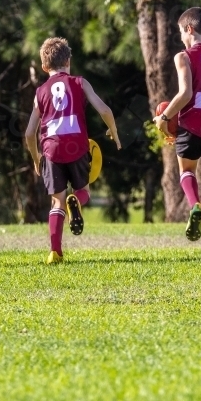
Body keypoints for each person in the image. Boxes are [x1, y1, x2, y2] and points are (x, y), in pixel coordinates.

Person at [25, 37, 120, 265]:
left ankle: (55, 252)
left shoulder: (40, 92)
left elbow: (29, 133)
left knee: (56, 203)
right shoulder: (80, 82)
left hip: (51, 148)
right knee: (83, 191)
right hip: (77, 145)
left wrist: (36, 158)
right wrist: (113, 131)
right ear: (68, 61)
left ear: (44, 66)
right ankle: (75, 200)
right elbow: (104, 109)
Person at [154, 7, 201, 259]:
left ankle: (194, 205)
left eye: (181, 33)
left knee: (186, 171)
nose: (182, 39)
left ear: (189, 29)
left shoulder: (183, 56)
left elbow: (185, 94)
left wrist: (164, 117)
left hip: (192, 124)